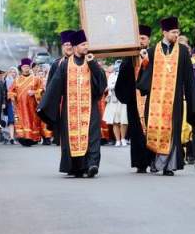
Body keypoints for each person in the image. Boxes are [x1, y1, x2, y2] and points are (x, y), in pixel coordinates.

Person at [136, 17, 195, 176]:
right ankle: (154, 161)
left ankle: (168, 166)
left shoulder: (183, 52)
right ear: (164, 32)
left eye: (177, 32)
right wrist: (144, 62)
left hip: (174, 100)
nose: (176, 35)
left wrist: (193, 101)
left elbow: (189, 78)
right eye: (173, 32)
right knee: (154, 130)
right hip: (155, 102)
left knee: (172, 131)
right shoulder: (152, 51)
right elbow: (144, 74)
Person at [39, 30, 108, 177]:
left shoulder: (91, 62)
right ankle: (77, 167)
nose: (86, 47)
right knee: (72, 138)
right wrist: (45, 107)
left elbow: (102, 83)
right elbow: (54, 87)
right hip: (70, 109)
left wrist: (93, 64)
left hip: (90, 107)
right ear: (76, 47)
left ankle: (92, 164)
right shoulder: (64, 65)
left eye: (87, 44)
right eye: (83, 44)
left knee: (93, 136)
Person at [115, 24, 154, 173]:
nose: (141, 41)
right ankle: (140, 163)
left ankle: (154, 160)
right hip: (134, 102)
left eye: (143, 38)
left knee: (152, 131)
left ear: (148, 40)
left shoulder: (154, 54)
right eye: (138, 39)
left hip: (151, 100)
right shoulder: (129, 59)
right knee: (137, 133)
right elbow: (122, 80)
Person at [10, 58, 44, 145]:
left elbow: (42, 90)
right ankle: (23, 137)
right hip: (20, 106)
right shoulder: (17, 80)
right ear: (21, 68)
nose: (26, 68)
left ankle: (32, 138)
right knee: (21, 122)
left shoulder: (36, 79)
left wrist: (35, 92)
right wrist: (13, 96)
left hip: (32, 106)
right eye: (24, 67)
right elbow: (11, 91)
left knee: (32, 121)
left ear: (30, 68)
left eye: (28, 67)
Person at [104, 63, 129, 146]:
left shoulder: (125, 75)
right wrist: (115, 86)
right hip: (113, 99)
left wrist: (116, 86)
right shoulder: (111, 76)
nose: (117, 70)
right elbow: (109, 86)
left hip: (122, 99)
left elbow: (126, 85)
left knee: (124, 120)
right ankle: (117, 140)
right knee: (114, 121)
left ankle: (123, 138)